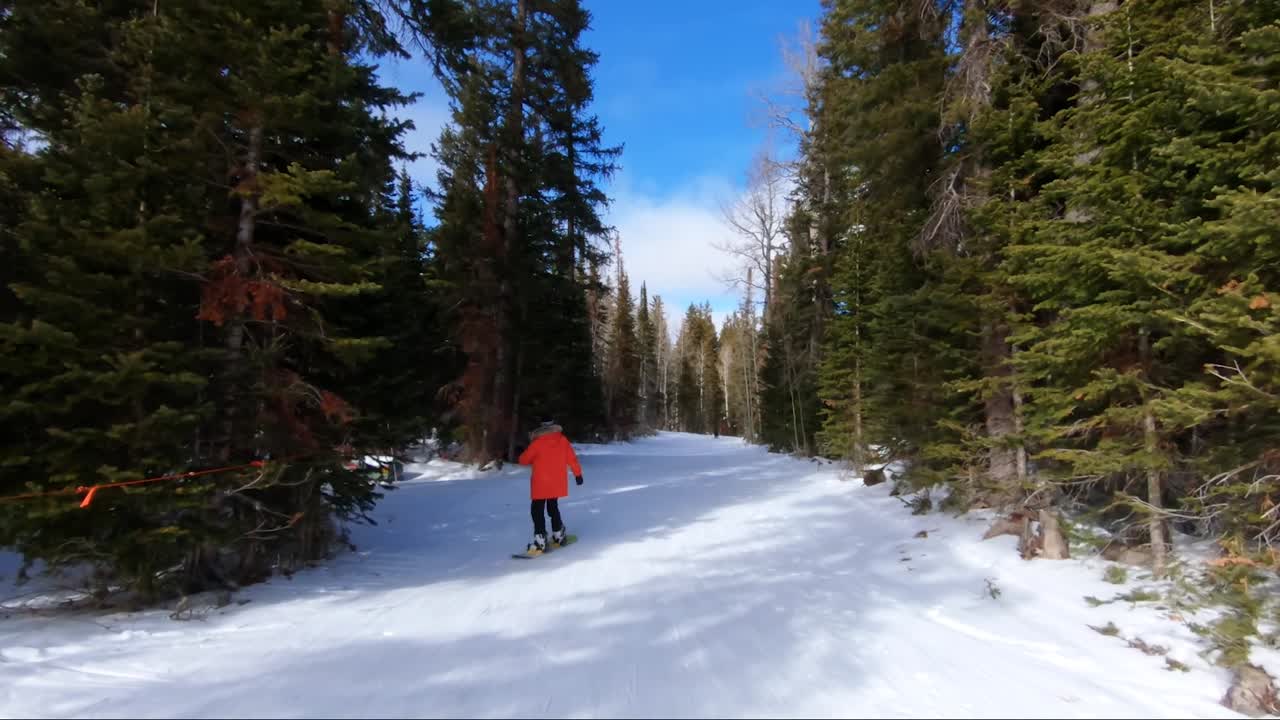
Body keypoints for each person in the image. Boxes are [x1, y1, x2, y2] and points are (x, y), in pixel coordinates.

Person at [517, 416, 584, 555]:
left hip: (541, 482)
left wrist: (521, 454)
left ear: (541, 427)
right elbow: (572, 458)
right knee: (552, 506)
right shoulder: (562, 440)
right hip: (556, 482)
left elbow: (524, 460)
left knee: (537, 510)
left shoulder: (537, 443)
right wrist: (578, 474)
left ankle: (540, 539)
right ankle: (558, 534)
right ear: (554, 425)